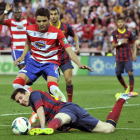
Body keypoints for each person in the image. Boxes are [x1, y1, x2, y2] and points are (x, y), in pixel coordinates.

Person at [13, 8, 92, 124]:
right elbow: (28, 42)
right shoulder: (29, 29)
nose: (41, 24)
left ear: (49, 20)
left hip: (50, 63)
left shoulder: (57, 32)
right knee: (16, 84)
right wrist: (22, 56)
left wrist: (79, 64)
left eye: (44, 21)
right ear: (36, 20)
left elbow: (69, 50)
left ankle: (66, 111)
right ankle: (36, 107)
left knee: (53, 88)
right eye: (39, 21)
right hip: (33, 62)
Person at [11, 88, 138, 135]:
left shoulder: (34, 95)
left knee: (60, 118)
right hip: (75, 119)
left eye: (21, 98)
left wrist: (43, 128)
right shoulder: (34, 104)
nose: (21, 101)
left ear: (26, 93)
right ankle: (120, 99)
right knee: (109, 128)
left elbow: (39, 109)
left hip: (67, 109)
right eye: (18, 101)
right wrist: (34, 127)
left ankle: (49, 129)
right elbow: (42, 114)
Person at [50, 7, 80, 102]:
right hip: (51, 59)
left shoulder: (66, 27)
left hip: (64, 57)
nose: (53, 16)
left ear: (59, 15)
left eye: (55, 14)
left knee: (69, 80)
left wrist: (77, 46)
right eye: (51, 14)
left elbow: (74, 35)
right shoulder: (46, 27)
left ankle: (70, 102)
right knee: (52, 83)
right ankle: (54, 103)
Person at [0, 2, 32, 91]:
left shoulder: (26, 22)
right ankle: (26, 88)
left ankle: (20, 85)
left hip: (26, 50)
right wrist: (6, 11)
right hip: (16, 50)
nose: (17, 14)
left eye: (19, 13)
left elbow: (30, 35)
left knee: (28, 69)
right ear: (13, 14)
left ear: (21, 14)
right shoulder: (10, 22)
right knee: (22, 68)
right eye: (16, 13)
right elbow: (0, 21)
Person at [111, 17, 137, 94]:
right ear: (117, 23)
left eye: (121, 22)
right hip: (119, 57)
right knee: (118, 74)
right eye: (119, 22)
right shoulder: (114, 33)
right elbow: (113, 46)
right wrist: (120, 42)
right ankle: (126, 87)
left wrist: (134, 53)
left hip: (128, 56)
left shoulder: (129, 33)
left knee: (130, 72)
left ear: (124, 23)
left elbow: (133, 44)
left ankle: (131, 92)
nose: (120, 23)